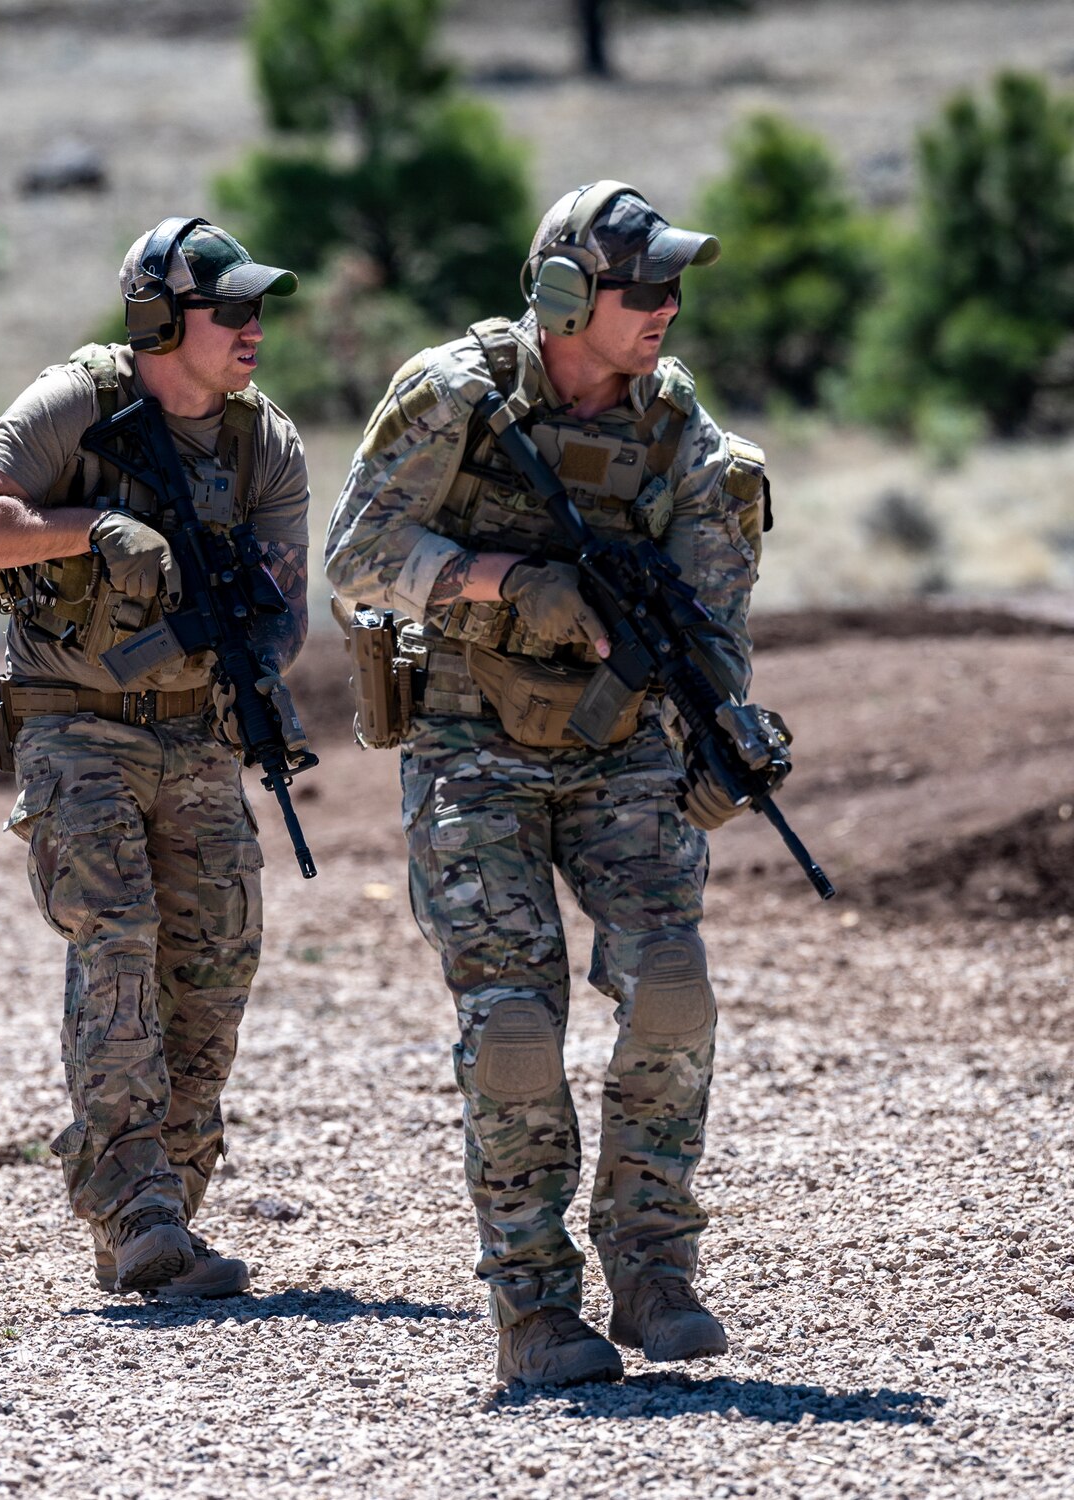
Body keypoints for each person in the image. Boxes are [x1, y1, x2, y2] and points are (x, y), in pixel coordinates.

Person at [324, 183, 774, 1384]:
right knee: (514, 1023)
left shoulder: (676, 427)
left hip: (621, 746)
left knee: (670, 985)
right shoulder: (453, 395)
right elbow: (355, 558)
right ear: (567, 295)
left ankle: (651, 1262)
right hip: (471, 745)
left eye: (674, 286)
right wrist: (498, 582)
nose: (665, 307)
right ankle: (532, 1303)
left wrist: (721, 728)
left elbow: (710, 611)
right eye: (641, 289)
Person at [0, 218, 311, 1297]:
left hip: (197, 734)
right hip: (76, 727)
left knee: (216, 966)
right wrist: (89, 528)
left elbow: (283, 610)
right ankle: (133, 1203)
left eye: (255, 308)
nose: (250, 328)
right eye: (227, 309)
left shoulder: (259, 440)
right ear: (157, 321)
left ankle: (163, 1209)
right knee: (118, 949)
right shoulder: (73, 405)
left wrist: (245, 653)